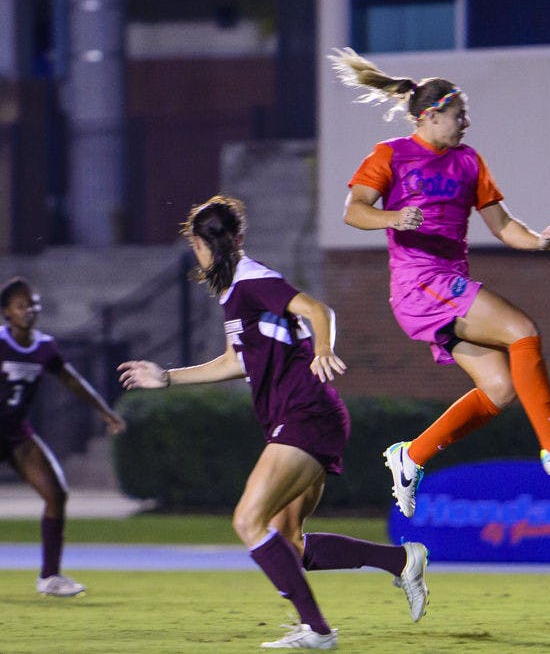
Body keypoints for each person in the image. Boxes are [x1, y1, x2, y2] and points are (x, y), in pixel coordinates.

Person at [118, 196, 428, 650]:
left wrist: (323, 349)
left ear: (236, 241)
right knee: (288, 542)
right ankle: (402, 560)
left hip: (306, 415)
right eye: (203, 243)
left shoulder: (252, 279)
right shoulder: (235, 293)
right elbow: (234, 361)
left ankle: (318, 631)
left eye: (214, 242)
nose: (208, 251)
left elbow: (320, 312)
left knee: (247, 520)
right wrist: (167, 377)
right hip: (305, 417)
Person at [330, 48, 550, 518]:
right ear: (430, 115)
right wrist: (396, 216)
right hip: (419, 284)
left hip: (448, 286)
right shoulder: (391, 155)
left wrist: (540, 242)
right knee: (521, 329)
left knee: (501, 389)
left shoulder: (468, 161)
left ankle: (412, 456)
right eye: (459, 115)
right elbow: (354, 211)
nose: (467, 123)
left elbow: (503, 226)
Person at [0, 277, 126, 597]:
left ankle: (50, 577)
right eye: (21, 305)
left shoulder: (44, 347)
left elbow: (71, 381)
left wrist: (105, 412)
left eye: (33, 304)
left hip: (17, 434)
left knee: (56, 494)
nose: (29, 310)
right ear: (6, 313)